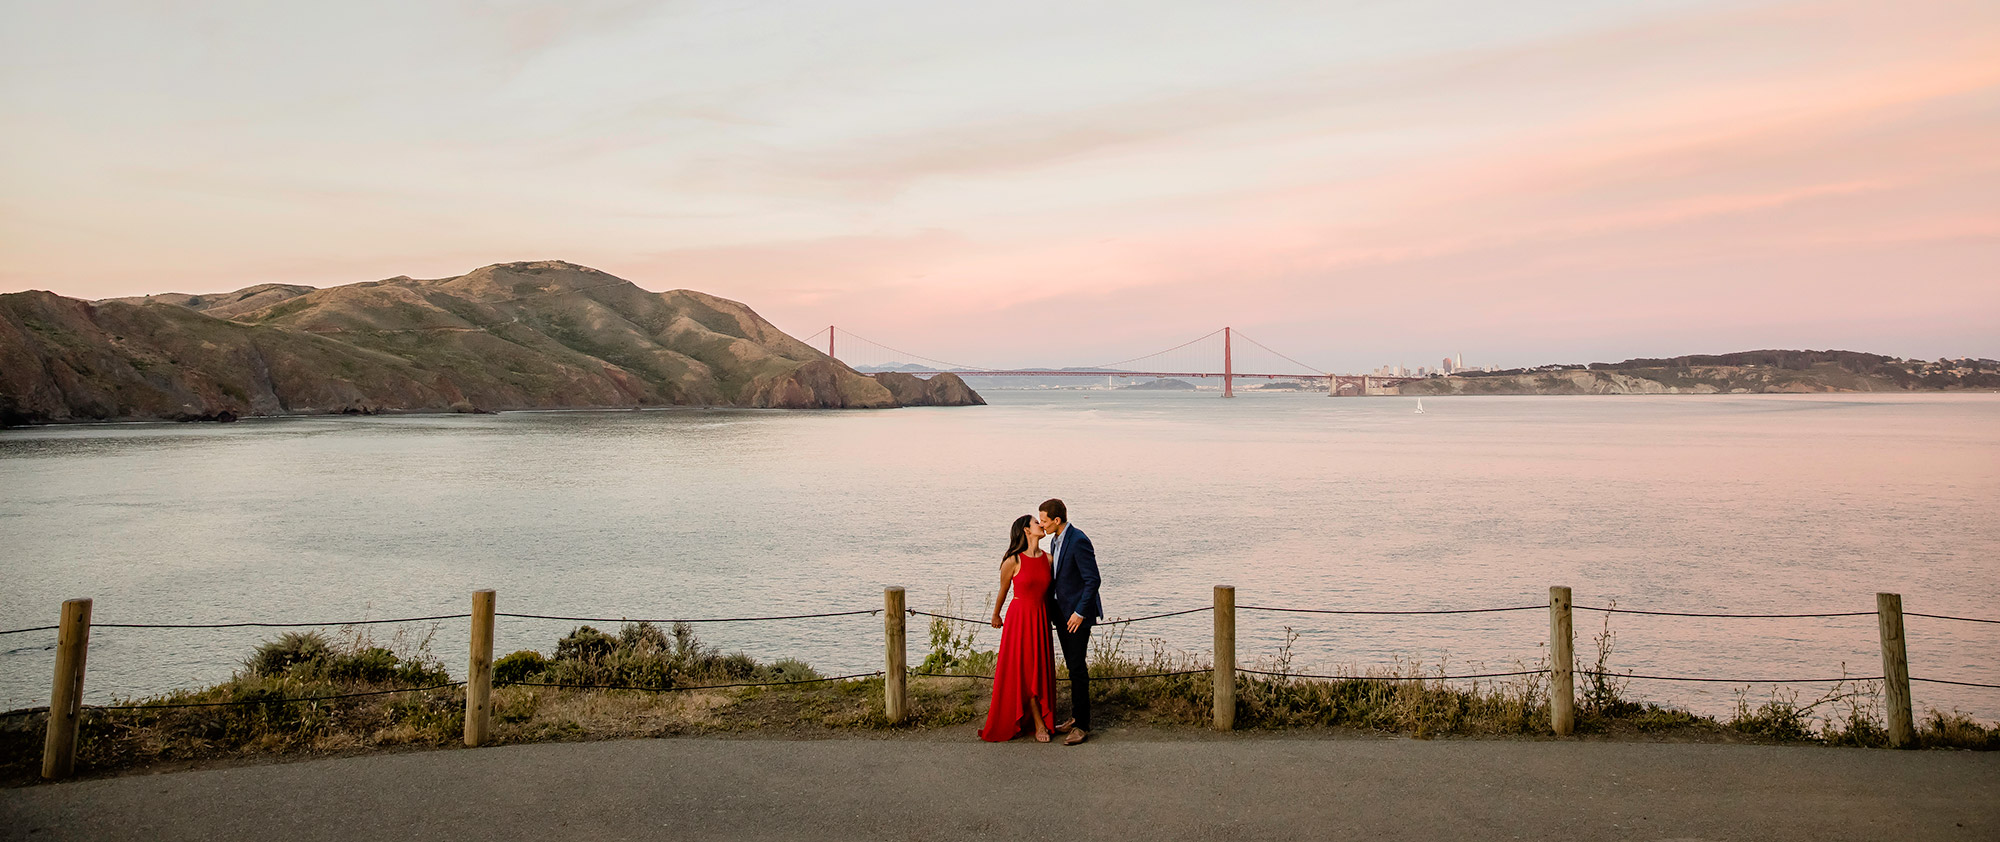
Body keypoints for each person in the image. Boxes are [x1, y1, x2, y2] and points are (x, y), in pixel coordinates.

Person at [978, 514, 1058, 742]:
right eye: (1036, 523)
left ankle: (1040, 716)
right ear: (1026, 530)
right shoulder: (1013, 560)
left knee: (1038, 668)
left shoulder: (1049, 559)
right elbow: (1003, 590)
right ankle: (1038, 722)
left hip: (1041, 618)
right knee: (1025, 670)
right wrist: (995, 614)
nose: (1041, 525)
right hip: (1019, 619)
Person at [1037, 498, 1102, 745]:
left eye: (1044, 520)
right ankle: (1075, 718)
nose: (1041, 524)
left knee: (1077, 669)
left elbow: (1093, 580)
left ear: (1056, 520)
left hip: (1076, 617)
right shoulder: (1056, 539)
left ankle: (1083, 726)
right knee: (1073, 668)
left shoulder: (1078, 540)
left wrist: (1079, 613)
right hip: (1063, 615)